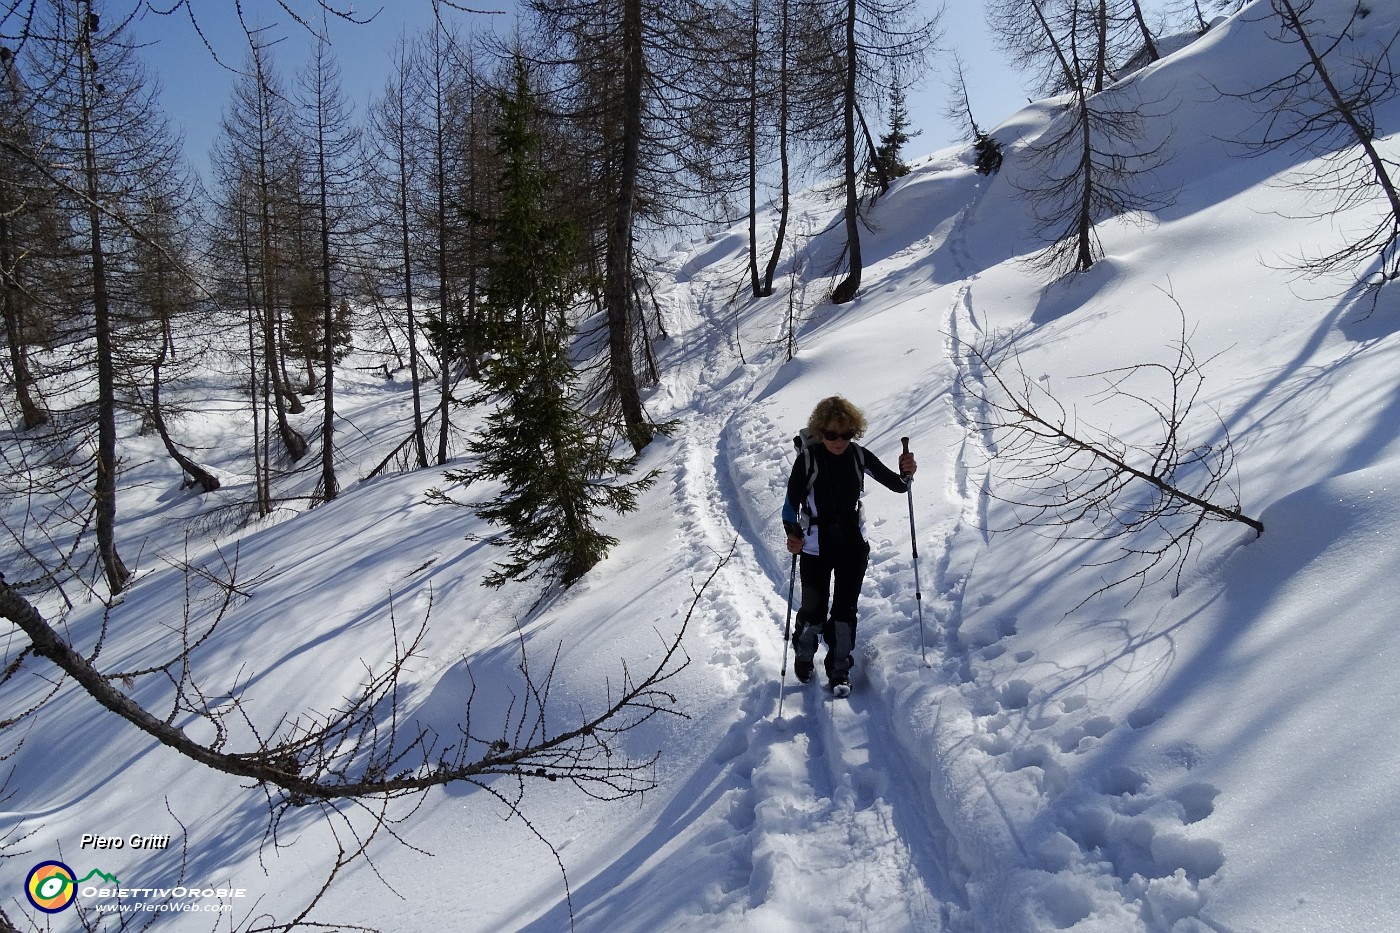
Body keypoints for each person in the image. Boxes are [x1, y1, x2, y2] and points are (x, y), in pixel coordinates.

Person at [782, 396, 916, 693]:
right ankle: (804, 655)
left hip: (852, 545)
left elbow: (898, 485)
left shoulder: (858, 455)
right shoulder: (808, 459)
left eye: (846, 434)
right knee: (814, 610)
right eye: (831, 434)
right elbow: (790, 505)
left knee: (845, 610)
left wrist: (907, 471)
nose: (839, 441)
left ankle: (839, 669)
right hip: (815, 546)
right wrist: (793, 534)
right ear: (820, 432)